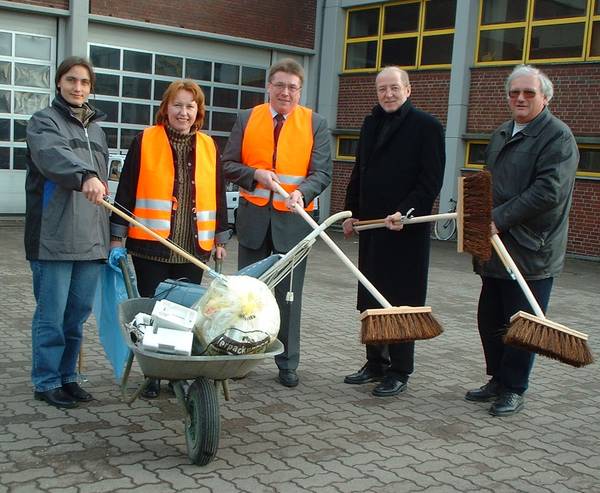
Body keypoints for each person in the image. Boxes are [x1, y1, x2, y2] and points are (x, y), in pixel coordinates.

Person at [466, 65, 578, 416]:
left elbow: (549, 191)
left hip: (532, 246)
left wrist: (498, 218)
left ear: (545, 97)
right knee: (491, 317)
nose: (520, 98)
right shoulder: (501, 133)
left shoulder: (557, 137)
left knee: (523, 323)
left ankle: (514, 388)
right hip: (495, 245)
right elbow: (489, 182)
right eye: (514, 92)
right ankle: (497, 378)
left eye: (529, 93)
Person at [110, 80, 229, 398]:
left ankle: (177, 371)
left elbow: (218, 194)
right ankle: (153, 374)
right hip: (151, 246)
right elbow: (126, 189)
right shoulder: (145, 140)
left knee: (183, 313)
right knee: (150, 311)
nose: (184, 112)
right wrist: (116, 237)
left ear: (198, 112)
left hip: (194, 248)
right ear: (166, 108)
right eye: (178, 104)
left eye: (191, 106)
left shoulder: (208, 146)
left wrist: (221, 237)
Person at [222, 58, 332, 387]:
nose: (286, 92)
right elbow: (228, 164)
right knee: (249, 295)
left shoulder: (315, 123)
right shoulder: (247, 118)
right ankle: (242, 358)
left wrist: (303, 192)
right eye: (280, 85)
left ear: (300, 91)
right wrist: (254, 175)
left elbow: (322, 172)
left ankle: (287, 363)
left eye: (292, 87)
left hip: (294, 223)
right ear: (269, 87)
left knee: (289, 296)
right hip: (254, 219)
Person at [342, 66, 445, 397]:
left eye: (394, 88)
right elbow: (360, 170)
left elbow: (430, 181)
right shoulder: (370, 122)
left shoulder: (427, 126)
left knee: (401, 300)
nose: (388, 94)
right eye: (382, 89)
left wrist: (407, 212)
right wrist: (350, 213)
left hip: (405, 231)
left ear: (408, 90)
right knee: (371, 297)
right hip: (372, 228)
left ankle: (399, 370)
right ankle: (374, 363)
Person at [25, 56, 109, 409]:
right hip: (53, 237)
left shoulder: (97, 129)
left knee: (76, 316)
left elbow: (103, 182)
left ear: (91, 88)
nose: (78, 87)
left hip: (91, 240)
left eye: (84, 82)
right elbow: (53, 155)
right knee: (52, 316)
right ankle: (46, 381)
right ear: (59, 83)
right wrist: (85, 175)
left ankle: (68, 377)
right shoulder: (43, 122)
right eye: (71, 80)